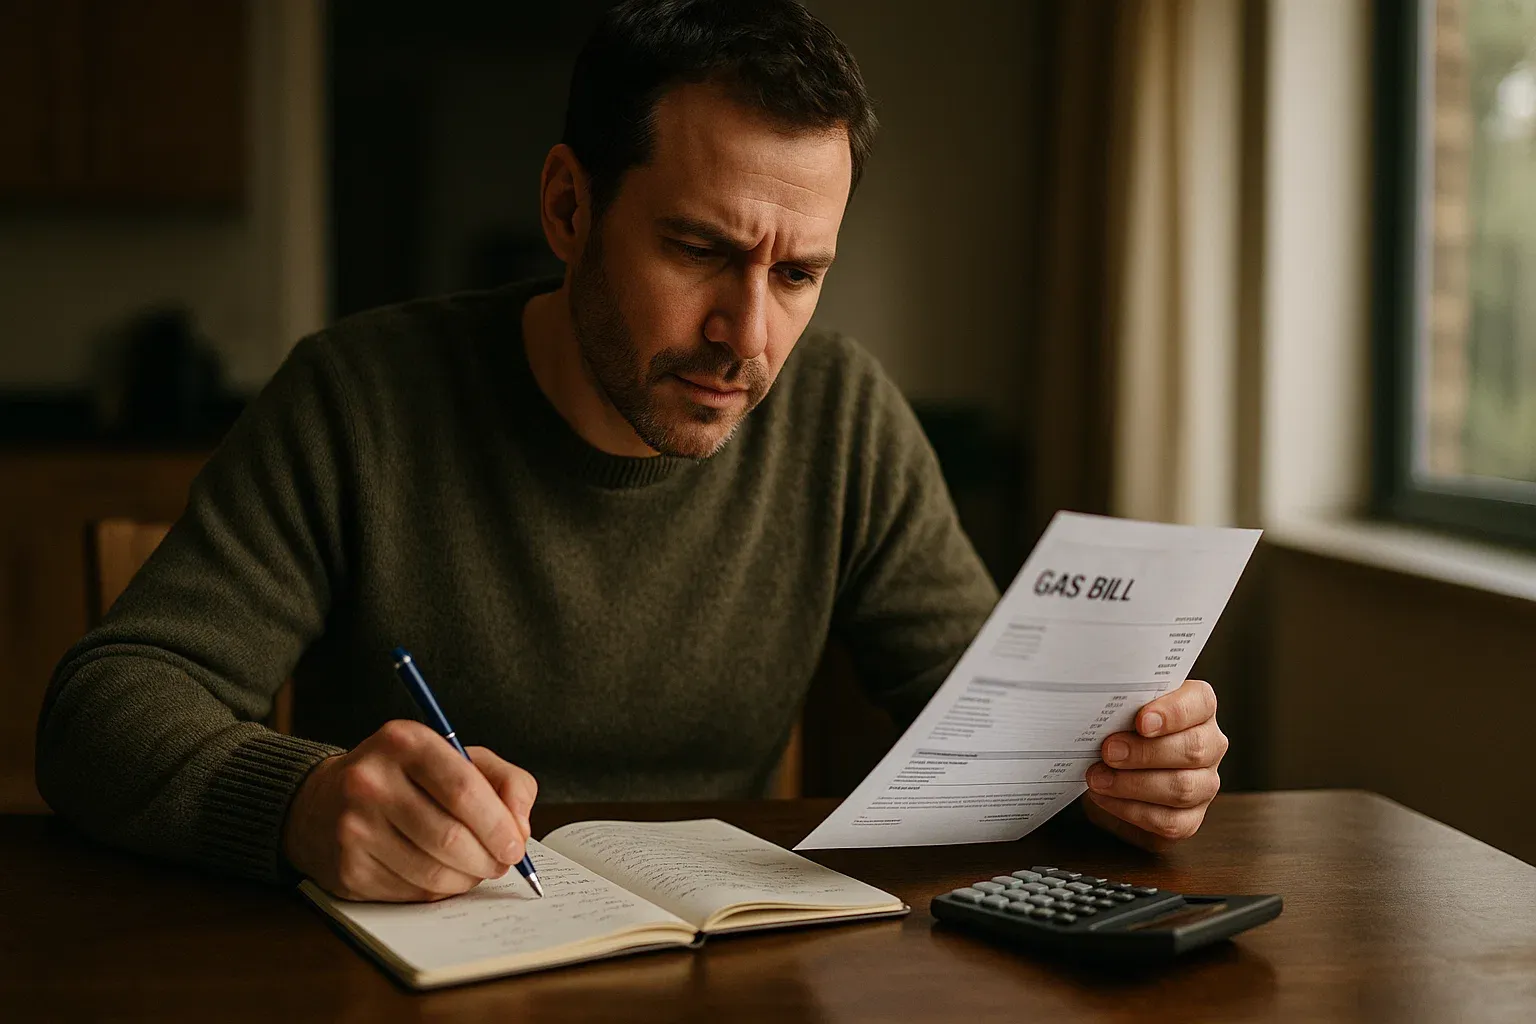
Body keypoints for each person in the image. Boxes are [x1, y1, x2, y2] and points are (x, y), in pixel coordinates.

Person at [36, 0, 1229, 903]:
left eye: (797, 273)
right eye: (700, 250)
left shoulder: (843, 419)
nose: (746, 336)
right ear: (569, 208)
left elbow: (1002, 737)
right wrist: (300, 801)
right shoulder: (357, 399)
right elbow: (103, 711)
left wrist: (1119, 773)